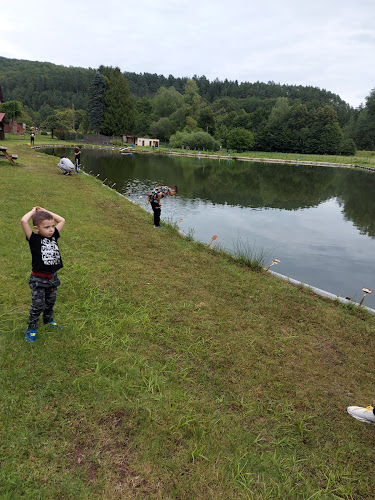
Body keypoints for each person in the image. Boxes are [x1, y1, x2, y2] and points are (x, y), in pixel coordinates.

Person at [21, 206, 65, 342]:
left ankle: (48, 320)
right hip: (38, 279)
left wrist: (44, 211)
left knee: (50, 302)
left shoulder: (54, 236)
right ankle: (31, 328)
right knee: (38, 305)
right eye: (46, 227)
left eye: (52, 226)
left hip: (52, 278)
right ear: (36, 228)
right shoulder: (33, 239)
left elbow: (62, 220)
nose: (51, 229)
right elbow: (23, 221)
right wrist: (34, 212)